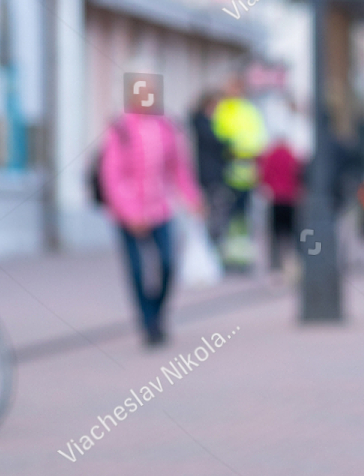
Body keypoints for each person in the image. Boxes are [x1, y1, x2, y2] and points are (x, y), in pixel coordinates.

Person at [100, 108, 204, 345]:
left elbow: (178, 167)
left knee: (167, 263)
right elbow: (112, 175)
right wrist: (131, 213)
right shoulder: (121, 127)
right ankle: (147, 322)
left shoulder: (166, 126)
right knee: (137, 269)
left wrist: (192, 197)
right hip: (128, 213)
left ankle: (158, 314)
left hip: (161, 209)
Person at [211, 76, 267, 270]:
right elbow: (216, 138)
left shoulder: (249, 111)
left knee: (243, 217)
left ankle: (241, 256)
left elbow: (258, 140)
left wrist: (241, 150)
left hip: (246, 173)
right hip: (225, 172)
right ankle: (228, 256)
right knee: (226, 216)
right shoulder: (223, 110)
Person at [190, 91, 232, 246]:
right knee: (214, 211)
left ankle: (212, 242)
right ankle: (212, 243)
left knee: (215, 210)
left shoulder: (205, 123)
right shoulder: (203, 124)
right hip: (209, 175)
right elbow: (217, 144)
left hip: (211, 174)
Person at [259, 138, 301, 270]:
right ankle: (291, 263)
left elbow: (264, 175)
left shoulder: (270, 156)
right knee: (292, 233)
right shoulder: (291, 155)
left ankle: (276, 264)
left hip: (275, 199)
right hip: (290, 199)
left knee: (276, 234)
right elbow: (298, 174)